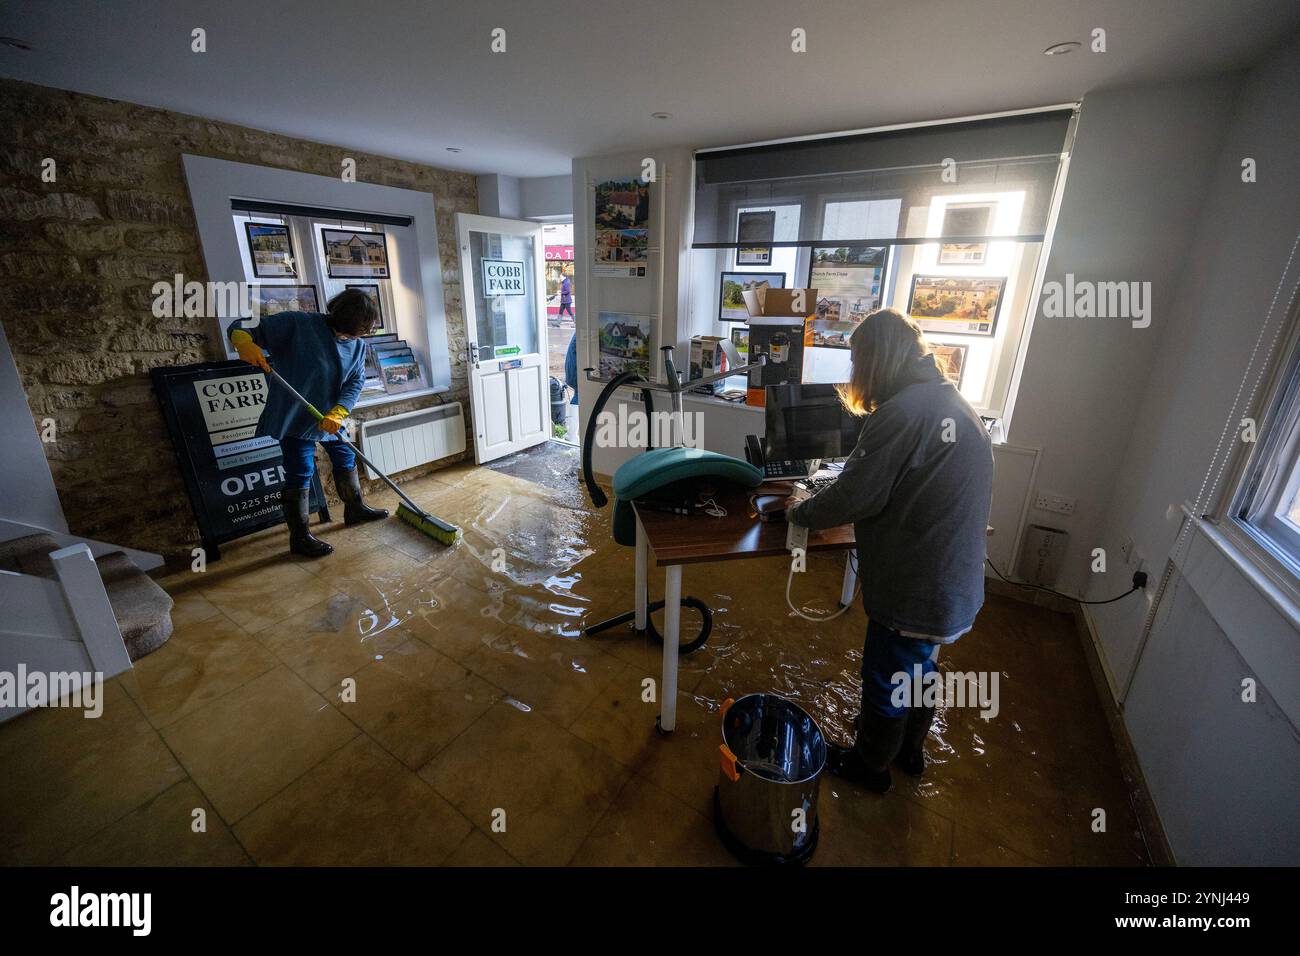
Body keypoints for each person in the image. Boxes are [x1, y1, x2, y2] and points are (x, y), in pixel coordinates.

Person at [786, 308, 993, 793]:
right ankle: (908, 752)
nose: (853, 372)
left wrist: (799, 510)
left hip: (916, 586)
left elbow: (857, 495)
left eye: (857, 359)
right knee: (919, 665)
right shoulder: (948, 400)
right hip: (952, 583)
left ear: (876, 359)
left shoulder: (902, 413)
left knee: (887, 673)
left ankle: (871, 766)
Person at [228, 288, 388, 558]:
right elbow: (242, 326)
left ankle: (355, 508)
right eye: (348, 332)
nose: (351, 338)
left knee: (345, 454)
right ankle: (300, 537)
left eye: (358, 334)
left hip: (330, 418)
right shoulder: (299, 324)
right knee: (300, 470)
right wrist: (243, 341)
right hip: (296, 414)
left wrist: (339, 411)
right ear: (337, 317)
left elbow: (354, 381)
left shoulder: (358, 346)